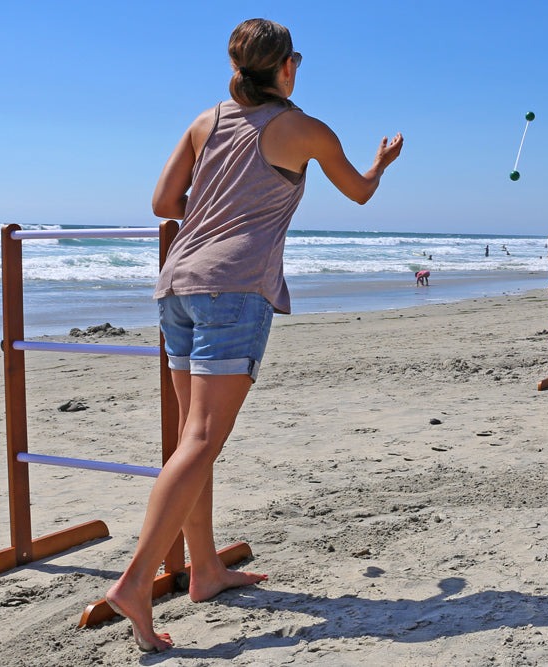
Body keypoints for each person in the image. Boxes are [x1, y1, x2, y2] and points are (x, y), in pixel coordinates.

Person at [104, 19, 402, 653]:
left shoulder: (205, 122)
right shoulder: (305, 129)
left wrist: (215, 213)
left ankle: (205, 569)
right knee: (204, 441)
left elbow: (164, 201)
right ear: (287, 67)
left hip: (178, 284)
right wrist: (379, 163)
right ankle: (133, 581)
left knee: (194, 440)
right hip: (234, 290)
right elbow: (359, 195)